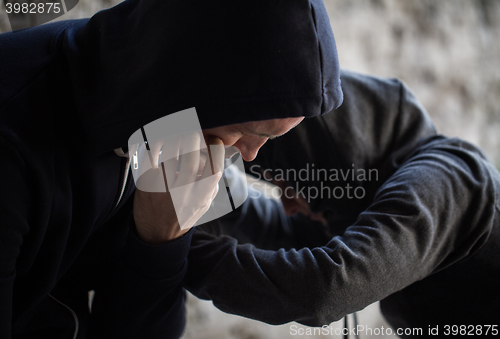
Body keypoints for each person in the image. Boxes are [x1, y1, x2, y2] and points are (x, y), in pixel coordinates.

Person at [0, 0, 343, 338]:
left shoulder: (153, 115)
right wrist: (161, 239)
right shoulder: (16, 153)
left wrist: (158, 242)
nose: (251, 154)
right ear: (193, 78)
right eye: (250, 132)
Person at [185, 70, 500, 335]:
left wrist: (170, 250)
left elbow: (324, 289)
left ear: (340, 163)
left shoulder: (453, 181)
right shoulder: (363, 203)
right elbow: (277, 230)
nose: (288, 205)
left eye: (291, 186)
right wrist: (187, 185)